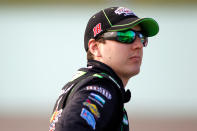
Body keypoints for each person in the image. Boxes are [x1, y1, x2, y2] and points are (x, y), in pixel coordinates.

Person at [49, 6, 159, 131]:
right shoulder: (101, 88)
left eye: (142, 37)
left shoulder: (86, 82)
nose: (138, 45)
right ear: (95, 47)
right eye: (125, 36)